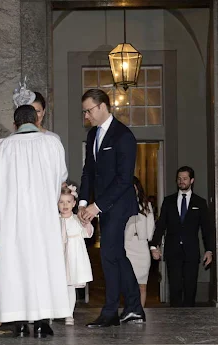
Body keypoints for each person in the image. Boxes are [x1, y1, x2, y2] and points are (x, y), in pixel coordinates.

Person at [0, 104, 70, 338]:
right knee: (43, 266)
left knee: (16, 267)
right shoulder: (51, 143)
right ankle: (42, 322)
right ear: (36, 120)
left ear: (15, 124)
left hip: (14, 218)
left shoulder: (3, 147)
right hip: (42, 217)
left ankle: (19, 322)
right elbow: (61, 175)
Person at [78, 88, 145, 328]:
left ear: (103, 106)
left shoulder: (123, 135)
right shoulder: (92, 136)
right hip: (101, 206)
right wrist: (83, 203)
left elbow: (124, 179)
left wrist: (98, 206)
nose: (86, 116)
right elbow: (88, 173)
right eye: (84, 111)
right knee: (115, 255)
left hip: (118, 205)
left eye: (88, 110)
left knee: (109, 255)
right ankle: (134, 308)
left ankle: (110, 312)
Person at [150, 166, 215, 307]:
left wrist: (209, 250)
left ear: (192, 180)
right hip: (172, 251)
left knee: (190, 287)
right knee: (175, 287)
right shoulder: (168, 201)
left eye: (185, 178)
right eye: (179, 178)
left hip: (191, 251)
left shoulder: (200, 202)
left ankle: (189, 320)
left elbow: (207, 229)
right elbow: (161, 225)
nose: (181, 181)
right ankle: (175, 320)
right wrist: (154, 246)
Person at [59, 183, 94, 325]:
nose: (65, 205)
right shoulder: (54, 220)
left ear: (74, 203)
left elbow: (88, 234)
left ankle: (69, 313)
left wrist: (86, 223)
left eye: (68, 202)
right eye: (61, 202)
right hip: (58, 257)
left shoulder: (77, 219)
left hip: (73, 257)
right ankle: (52, 312)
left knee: (70, 286)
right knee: (56, 285)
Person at [125, 177, 155, 307]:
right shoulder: (121, 205)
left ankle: (140, 311)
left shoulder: (146, 205)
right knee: (128, 284)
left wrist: (154, 246)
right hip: (127, 246)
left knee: (142, 285)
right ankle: (130, 310)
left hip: (142, 247)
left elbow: (152, 227)